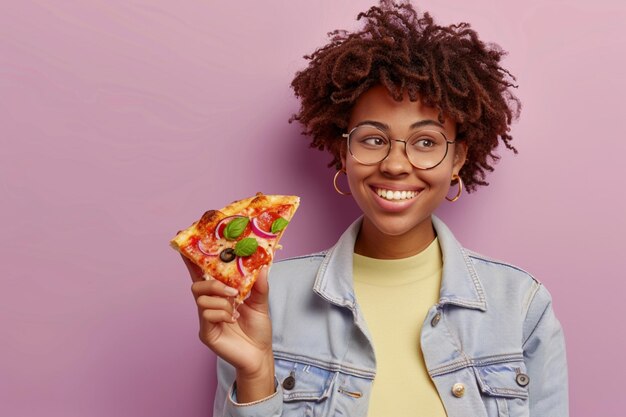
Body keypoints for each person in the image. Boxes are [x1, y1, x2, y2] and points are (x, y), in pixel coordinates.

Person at [183, 1, 568, 416]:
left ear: (457, 159)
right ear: (342, 151)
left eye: (426, 142)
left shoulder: (521, 306)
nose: (396, 165)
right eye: (372, 139)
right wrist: (257, 371)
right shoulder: (266, 300)